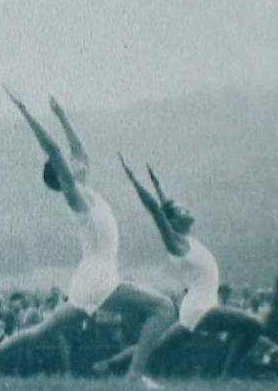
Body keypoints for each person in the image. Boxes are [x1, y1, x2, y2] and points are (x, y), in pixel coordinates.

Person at [0, 93, 174, 387]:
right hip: (99, 280)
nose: (79, 162)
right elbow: (54, 150)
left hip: (91, 278)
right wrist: (26, 112)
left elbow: (80, 150)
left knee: (42, 332)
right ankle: (134, 375)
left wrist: (62, 115)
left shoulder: (86, 190)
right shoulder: (76, 197)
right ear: (64, 173)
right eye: (70, 164)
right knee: (164, 308)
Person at [92, 159, 266, 378]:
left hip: (195, 308)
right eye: (182, 210)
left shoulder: (187, 239)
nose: (187, 211)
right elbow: (157, 211)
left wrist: (157, 185)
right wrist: (135, 181)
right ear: (174, 222)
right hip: (200, 309)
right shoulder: (175, 244)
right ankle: (226, 376)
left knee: (154, 348)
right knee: (254, 325)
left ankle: (107, 365)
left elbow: (165, 206)